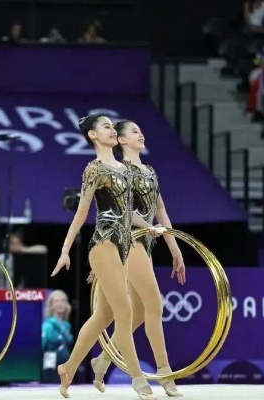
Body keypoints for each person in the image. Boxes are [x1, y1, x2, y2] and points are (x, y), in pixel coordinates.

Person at [50, 114, 160, 400]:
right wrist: (64, 250)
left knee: (103, 316)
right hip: (103, 244)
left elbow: (128, 213)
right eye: (106, 127)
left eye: (113, 126)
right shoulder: (94, 169)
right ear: (93, 135)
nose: (112, 130)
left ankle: (68, 367)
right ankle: (138, 379)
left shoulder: (125, 170)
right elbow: (82, 212)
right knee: (125, 313)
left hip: (123, 248)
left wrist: (150, 226)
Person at [89, 119, 186, 397]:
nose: (141, 134)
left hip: (147, 242)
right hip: (128, 241)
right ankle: (165, 373)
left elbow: (161, 210)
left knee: (141, 312)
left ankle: (103, 359)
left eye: (141, 130)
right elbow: (122, 212)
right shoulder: (123, 172)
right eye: (134, 131)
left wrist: (175, 248)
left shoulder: (149, 171)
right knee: (155, 303)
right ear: (121, 140)